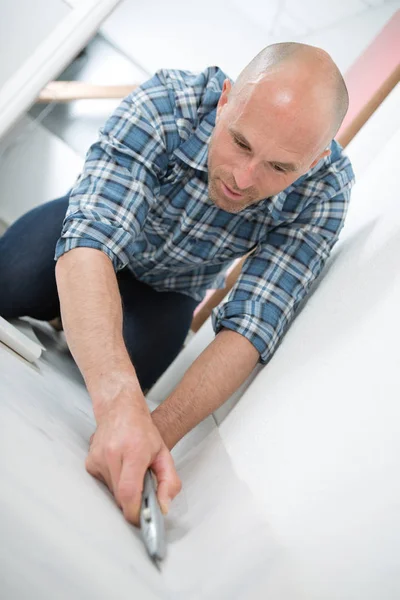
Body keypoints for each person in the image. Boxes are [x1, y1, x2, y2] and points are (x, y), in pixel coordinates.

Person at [0, 42, 355, 526]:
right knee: (10, 282)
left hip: (171, 289)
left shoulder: (326, 192)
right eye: (241, 143)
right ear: (226, 100)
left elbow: (252, 326)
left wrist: (149, 438)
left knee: (138, 368)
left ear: (313, 162)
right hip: (91, 241)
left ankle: (81, 318)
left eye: (279, 168)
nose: (243, 178)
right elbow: (93, 235)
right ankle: (73, 306)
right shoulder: (170, 101)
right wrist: (117, 404)